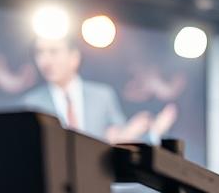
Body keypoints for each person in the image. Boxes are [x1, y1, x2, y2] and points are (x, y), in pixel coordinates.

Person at [23, 36, 176, 143]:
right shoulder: (31, 103)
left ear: (74, 57)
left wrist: (153, 133)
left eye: (53, 51)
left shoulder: (102, 96)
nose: (45, 61)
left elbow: (122, 143)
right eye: (39, 53)